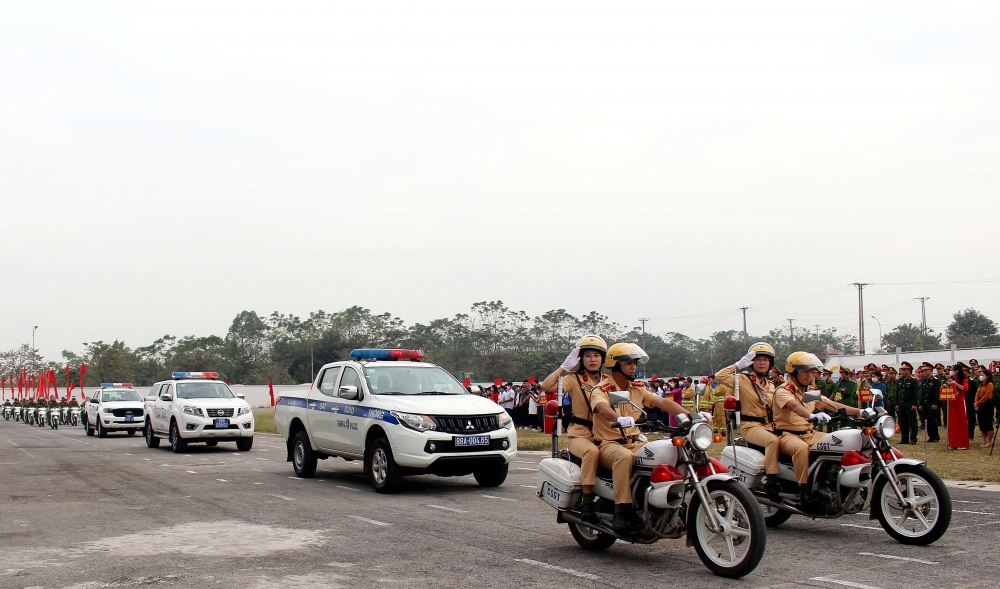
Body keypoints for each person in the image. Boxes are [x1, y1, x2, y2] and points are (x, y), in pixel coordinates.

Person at [589, 342, 689, 532]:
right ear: (615, 364)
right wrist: (619, 418)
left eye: (635, 362)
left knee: (667, 453)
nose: (633, 366)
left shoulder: (637, 388)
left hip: (635, 442)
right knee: (623, 458)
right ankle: (622, 510)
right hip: (609, 444)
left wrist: (690, 416)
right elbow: (602, 408)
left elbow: (662, 402)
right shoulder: (601, 389)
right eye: (628, 362)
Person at [772, 352, 862, 509]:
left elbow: (831, 404)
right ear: (793, 372)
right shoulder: (783, 391)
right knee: (801, 448)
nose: (809, 375)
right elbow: (794, 406)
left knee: (837, 442)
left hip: (809, 434)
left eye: (811, 371)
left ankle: (830, 483)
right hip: (787, 435)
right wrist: (812, 415)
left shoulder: (808, 392)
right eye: (805, 371)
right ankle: (804, 492)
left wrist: (860, 412)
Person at [540, 335, 609, 523]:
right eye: (587, 355)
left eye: (597, 355)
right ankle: (587, 503)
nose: (593, 359)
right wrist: (564, 367)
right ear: (580, 359)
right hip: (580, 434)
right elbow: (546, 386)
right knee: (591, 452)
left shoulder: (608, 380)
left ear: (603, 359)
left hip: (605, 434)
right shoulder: (574, 379)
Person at [716, 342, 782, 501]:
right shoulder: (742, 380)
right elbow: (720, 376)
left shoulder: (771, 385)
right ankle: (771, 483)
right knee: (772, 441)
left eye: (766, 360)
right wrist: (738, 365)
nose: (761, 363)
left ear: (770, 364)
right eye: (757, 359)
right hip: (751, 426)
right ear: (751, 362)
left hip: (769, 425)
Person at [896, 362, 920, 445]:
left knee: (912, 422)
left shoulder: (913, 381)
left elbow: (915, 394)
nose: (902, 371)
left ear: (909, 371)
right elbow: (897, 393)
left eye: (904, 370)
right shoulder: (899, 381)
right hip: (901, 403)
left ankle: (913, 438)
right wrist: (897, 404)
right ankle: (904, 438)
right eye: (901, 370)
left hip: (909, 403)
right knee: (902, 421)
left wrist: (914, 404)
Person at [918, 363, 940, 443]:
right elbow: (922, 393)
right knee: (927, 420)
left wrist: (935, 403)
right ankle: (930, 436)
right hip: (925, 403)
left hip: (931, 403)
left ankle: (935, 436)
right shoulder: (924, 381)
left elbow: (937, 393)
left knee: (933, 420)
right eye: (923, 371)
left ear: (931, 370)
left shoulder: (935, 380)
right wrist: (920, 404)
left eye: (925, 370)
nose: (924, 372)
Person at [974, 367, 994, 448]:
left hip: (986, 404)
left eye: (982, 375)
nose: (981, 376)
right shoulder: (981, 385)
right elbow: (977, 394)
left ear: (987, 376)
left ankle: (989, 441)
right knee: (982, 423)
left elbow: (987, 396)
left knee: (988, 423)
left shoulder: (990, 384)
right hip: (980, 404)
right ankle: (984, 441)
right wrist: (976, 403)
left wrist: (978, 403)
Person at [963, 363, 978, 441]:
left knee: (971, 419)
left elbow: (975, 393)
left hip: (970, 401)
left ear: (967, 372)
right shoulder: (960, 381)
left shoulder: (972, 382)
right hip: (962, 401)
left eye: (964, 371)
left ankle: (970, 434)